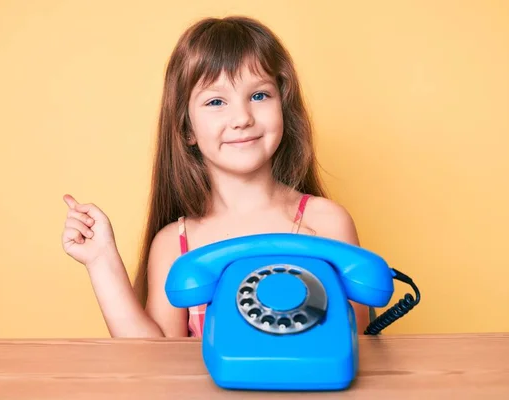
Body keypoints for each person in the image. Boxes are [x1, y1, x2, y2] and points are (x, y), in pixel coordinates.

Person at [60, 15, 370, 338]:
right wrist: (101, 261)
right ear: (187, 129)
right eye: (216, 101)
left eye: (259, 95)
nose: (241, 118)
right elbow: (152, 360)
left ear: (284, 104)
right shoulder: (173, 245)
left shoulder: (327, 224)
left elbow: (356, 345)